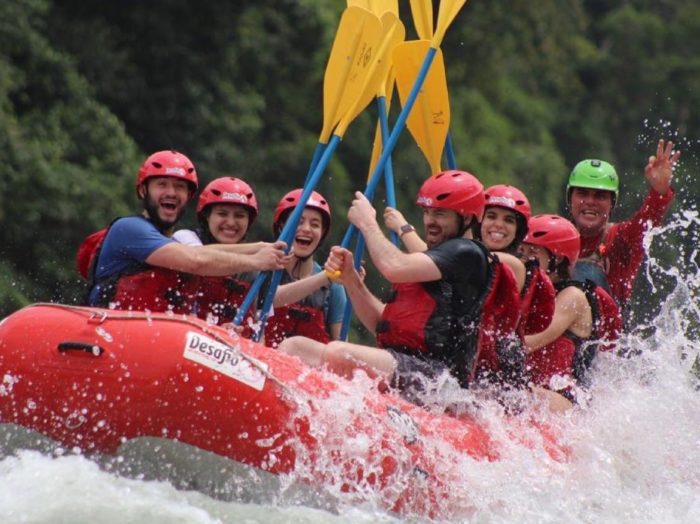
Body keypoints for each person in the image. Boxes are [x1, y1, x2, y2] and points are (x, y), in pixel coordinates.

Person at [383, 183, 554, 387]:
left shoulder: (512, 265)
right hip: (469, 365)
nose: (498, 225)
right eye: (491, 217)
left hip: (498, 376)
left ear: (518, 231)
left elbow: (441, 263)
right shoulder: (469, 253)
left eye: (508, 220)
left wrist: (403, 228)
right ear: (479, 220)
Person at [79, 150, 289, 313]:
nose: (171, 192)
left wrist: (260, 247)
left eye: (180, 187)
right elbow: (196, 260)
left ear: (188, 197)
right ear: (143, 190)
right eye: (162, 184)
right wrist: (256, 260)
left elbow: (202, 254)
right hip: (112, 336)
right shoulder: (130, 229)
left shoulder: (173, 243)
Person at [567, 139, 680, 319]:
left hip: (605, 341)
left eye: (600, 196)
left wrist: (659, 192)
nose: (590, 201)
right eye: (582, 193)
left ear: (612, 204)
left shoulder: (623, 238)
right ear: (570, 199)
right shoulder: (552, 237)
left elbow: (647, 222)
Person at [521, 214, 622, 402]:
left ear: (558, 259)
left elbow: (526, 345)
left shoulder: (573, 296)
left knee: (512, 394)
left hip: (565, 401)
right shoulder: (528, 292)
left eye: (533, 253)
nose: (524, 260)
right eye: (521, 252)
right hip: (530, 390)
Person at [172, 176, 261, 327]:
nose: (231, 223)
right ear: (207, 216)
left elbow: (260, 333)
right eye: (222, 214)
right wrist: (260, 248)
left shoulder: (255, 270)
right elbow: (200, 258)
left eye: (239, 216)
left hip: (225, 347)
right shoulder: (184, 238)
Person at [263, 189, 347, 346]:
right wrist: (325, 277)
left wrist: (355, 285)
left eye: (315, 224)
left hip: (307, 369)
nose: (307, 229)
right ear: (282, 226)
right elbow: (269, 300)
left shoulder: (333, 287)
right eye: (298, 222)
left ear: (322, 233)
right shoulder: (264, 269)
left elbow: (342, 348)